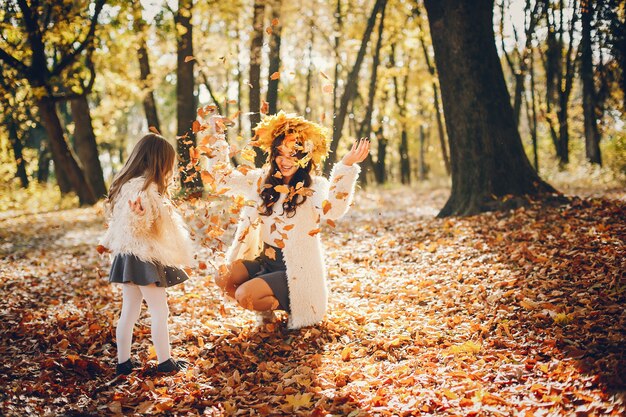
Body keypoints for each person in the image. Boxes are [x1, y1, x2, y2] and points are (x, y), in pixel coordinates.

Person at [199, 110, 369, 329]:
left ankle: (291, 306)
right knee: (224, 277)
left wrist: (345, 167)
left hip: (295, 270)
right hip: (265, 261)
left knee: (244, 294)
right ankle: (266, 309)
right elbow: (222, 181)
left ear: (304, 157)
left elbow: (333, 210)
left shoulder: (314, 186)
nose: (285, 161)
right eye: (280, 153)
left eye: (292, 155)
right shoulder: (261, 180)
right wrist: (217, 137)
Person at [99, 133, 194, 375]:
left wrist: (107, 243)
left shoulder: (125, 186)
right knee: (159, 310)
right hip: (143, 257)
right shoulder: (145, 189)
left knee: (129, 310)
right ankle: (165, 362)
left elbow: (117, 224)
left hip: (126, 255)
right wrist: (139, 215)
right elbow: (138, 226)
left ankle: (123, 363)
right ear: (159, 161)